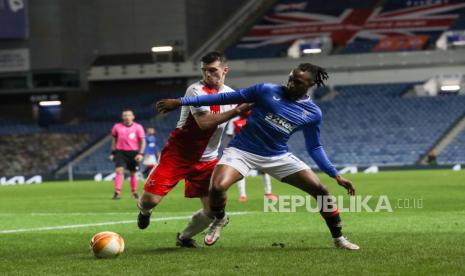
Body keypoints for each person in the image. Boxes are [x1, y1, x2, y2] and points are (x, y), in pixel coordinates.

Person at [156, 63, 360, 250]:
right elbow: (224, 98)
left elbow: (314, 146)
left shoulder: (312, 113)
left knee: (322, 191)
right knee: (216, 188)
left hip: (277, 155)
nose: (290, 83)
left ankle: (339, 239)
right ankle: (220, 218)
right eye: (290, 77)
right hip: (241, 151)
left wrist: (335, 174)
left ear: (311, 84)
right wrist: (181, 101)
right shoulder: (266, 90)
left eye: (297, 82)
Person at [136, 51, 251, 247]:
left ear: (225, 70)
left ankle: (184, 238)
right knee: (149, 201)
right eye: (204, 71)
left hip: (207, 160)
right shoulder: (195, 90)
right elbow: (204, 123)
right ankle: (145, 212)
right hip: (177, 156)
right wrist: (237, 110)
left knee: (211, 211)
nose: (208, 75)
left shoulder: (232, 95)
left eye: (213, 71)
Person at [225, 112, 277, 202]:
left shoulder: (256, 117)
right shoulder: (234, 120)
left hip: (258, 149)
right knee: (240, 172)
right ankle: (243, 195)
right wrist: (226, 149)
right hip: (240, 150)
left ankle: (268, 193)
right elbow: (229, 135)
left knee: (264, 171)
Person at [109, 109, 146, 200]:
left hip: (133, 153)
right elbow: (114, 141)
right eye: (125, 115)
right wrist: (113, 153)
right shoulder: (117, 127)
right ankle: (117, 192)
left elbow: (143, 141)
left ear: (133, 117)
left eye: (129, 115)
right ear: (122, 117)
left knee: (132, 173)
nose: (127, 117)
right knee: (119, 170)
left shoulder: (138, 127)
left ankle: (134, 192)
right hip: (120, 152)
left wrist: (141, 153)